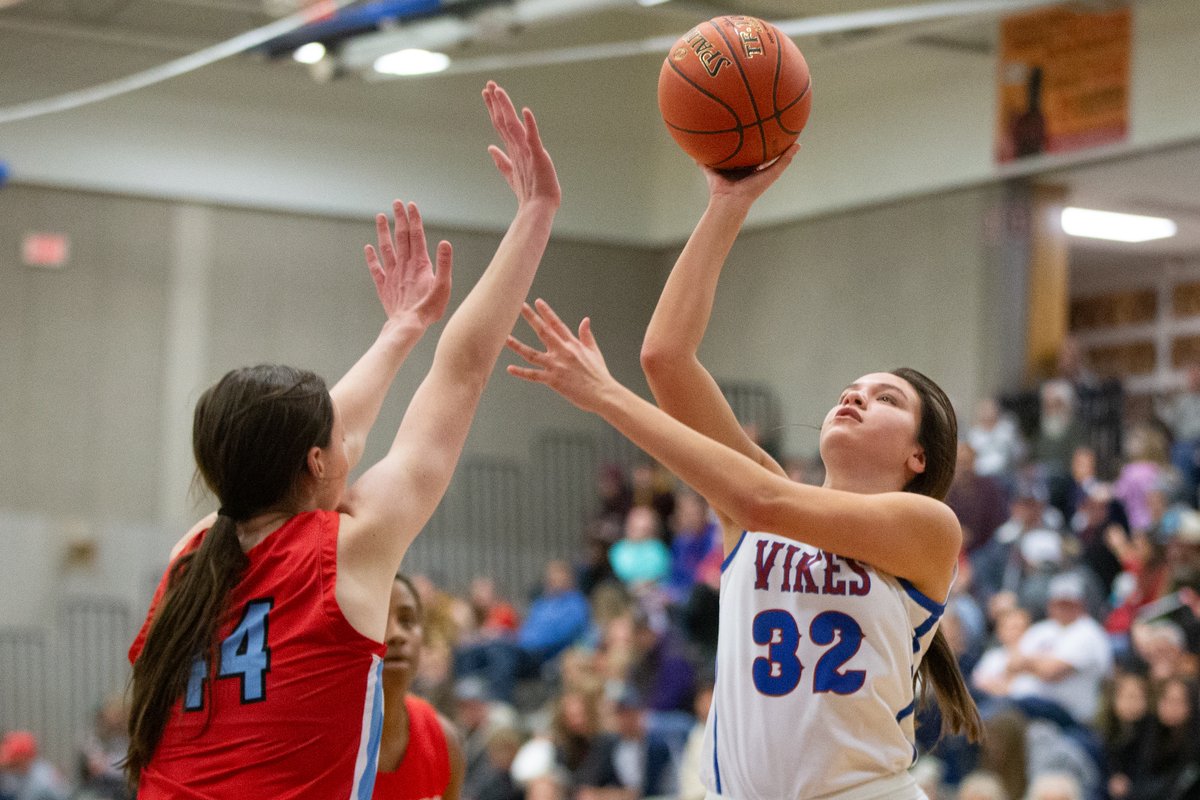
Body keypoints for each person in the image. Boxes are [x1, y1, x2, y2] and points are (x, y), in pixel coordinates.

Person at [123, 81, 560, 798]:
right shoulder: (342, 552)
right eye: (337, 440)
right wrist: (535, 214)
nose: (352, 436)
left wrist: (400, 329)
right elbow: (461, 376)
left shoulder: (193, 552)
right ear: (316, 462)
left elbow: (330, 429)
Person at [505, 146, 980, 799]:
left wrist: (606, 398)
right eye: (850, 388)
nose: (855, 397)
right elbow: (666, 356)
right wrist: (727, 205)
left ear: (917, 458)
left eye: (886, 398)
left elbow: (761, 503)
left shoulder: (925, 527)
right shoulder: (758, 493)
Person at [372, 574, 465, 800]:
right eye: (378, 619)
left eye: (407, 621)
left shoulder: (445, 740)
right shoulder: (318, 744)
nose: (396, 634)